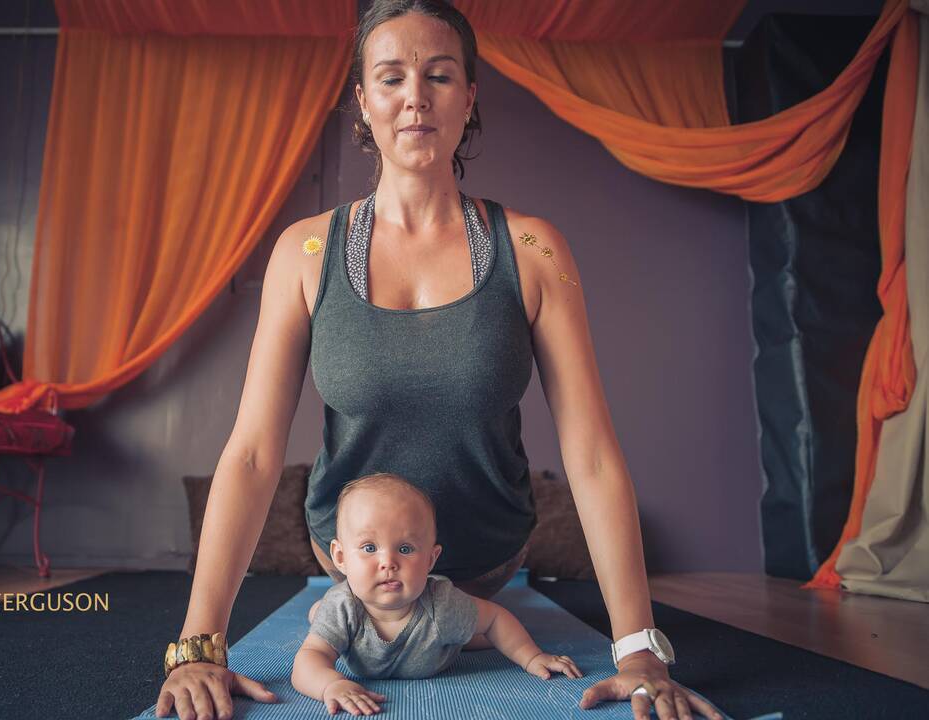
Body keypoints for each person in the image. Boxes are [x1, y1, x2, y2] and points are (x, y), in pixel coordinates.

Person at [156, 2, 725, 720]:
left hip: (482, 567)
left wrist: (640, 649)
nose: (415, 97)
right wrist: (198, 645)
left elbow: (593, 457)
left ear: (469, 97)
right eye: (390, 78)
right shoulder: (303, 253)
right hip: (355, 571)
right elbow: (250, 455)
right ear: (363, 102)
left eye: (440, 75)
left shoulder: (534, 249)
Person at [291, 473, 583, 715]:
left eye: (405, 549)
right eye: (369, 548)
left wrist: (531, 657)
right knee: (323, 617)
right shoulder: (343, 607)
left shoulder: (443, 604)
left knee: (479, 637)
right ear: (340, 557)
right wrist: (330, 684)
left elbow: (495, 619)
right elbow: (308, 661)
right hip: (348, 622)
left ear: (431, 559)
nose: (388, 562)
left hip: (437, 642)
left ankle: (463, 637)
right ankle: (317, 614)